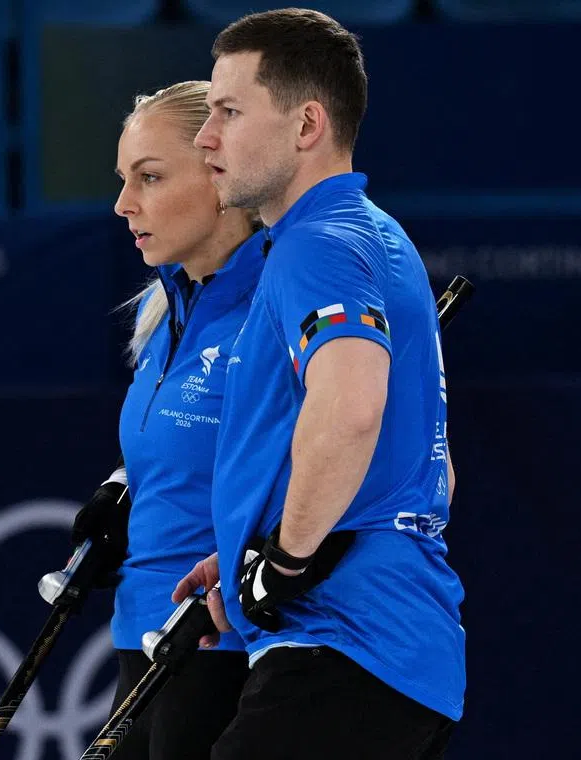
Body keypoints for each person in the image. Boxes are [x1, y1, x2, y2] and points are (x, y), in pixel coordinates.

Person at [170, 9, 465, 759]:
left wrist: (284, 562)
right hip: (390, 651)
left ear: (306, 124)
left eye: (229, 112)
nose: (206, 137)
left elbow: (352, 409)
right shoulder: (370, 235)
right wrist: (252, 539)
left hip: (343, 643)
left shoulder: (317, 246)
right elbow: (431, 468)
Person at [69, 80, 265, 760]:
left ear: (221, 176)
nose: (124, 203)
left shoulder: (274, 312)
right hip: (141, 637)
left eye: (149, 177)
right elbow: (186, 446)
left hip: (225, 647)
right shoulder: (166, 312)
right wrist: (123, 488)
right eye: (124, 179)